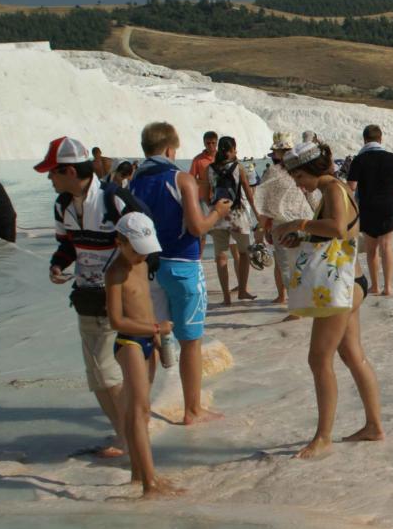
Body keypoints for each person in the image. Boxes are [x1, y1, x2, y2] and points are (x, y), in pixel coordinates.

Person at [274, 141, 382, 459]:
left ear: (310, 171)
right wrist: (305, 236)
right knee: (352, 355)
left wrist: (298, 224)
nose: (298, 184)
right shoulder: (334, 189)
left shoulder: (332, 189)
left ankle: (323, 437)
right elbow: (340, 231)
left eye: (298, 177)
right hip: (352, 281)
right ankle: (374, 426)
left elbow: (336, 227)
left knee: (319, 359)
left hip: (342, 286)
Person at [129, 122, 231, 425]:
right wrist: (218, 212)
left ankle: (141, 410)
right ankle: (192, 410)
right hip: (183, 265)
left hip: (149, 266)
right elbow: (197, 226)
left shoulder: (134, 181)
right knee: (191, 340)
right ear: (171, 149)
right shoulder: (180, 179)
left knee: (149, 336)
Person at [37, 136, 131, 456]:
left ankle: (131, 439)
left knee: (106, 368)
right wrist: (56, 265)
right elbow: (67, 246)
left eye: (53, 173)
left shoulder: (114, 200)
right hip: (86, 297)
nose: (49, 178)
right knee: (94, 373)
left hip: (115, 298)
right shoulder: (63, 205)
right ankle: (123, 433)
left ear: (70, 172)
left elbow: (148, 244)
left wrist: (127, 285)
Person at [105, 212, 181, 497]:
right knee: (139, 410)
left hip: (149, 340)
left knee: (141, 410)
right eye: (136, 250)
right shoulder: (115, 273)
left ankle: (138, 472)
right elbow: (116, 320)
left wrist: (159, 338)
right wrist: (154, 328)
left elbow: (145, 304)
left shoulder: (140, 263)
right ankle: (151, 483)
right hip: (129, 342)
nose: (141, 256)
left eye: (145, 251)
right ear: (119, 242)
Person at [254, 132, 317, 309]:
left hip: (282, 226)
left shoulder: (272, 172)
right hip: (306, 222)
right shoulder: (302, 169)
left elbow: (264, 204)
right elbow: (312, 196)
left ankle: (297, 307)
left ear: (279, 152)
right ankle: (309, 301)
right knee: (305, 264)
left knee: (288, 267)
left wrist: (261, 229)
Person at [346, 124, 393, 297]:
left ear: (364, 140)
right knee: (387, 246)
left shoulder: (358, 160)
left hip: (367, 208)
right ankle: (388, 288)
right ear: (380, 139)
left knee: (371, 248)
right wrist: (390, 188)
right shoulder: (391, 157)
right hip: (389, 207)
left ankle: (374, 286)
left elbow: (351, 186)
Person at [201, 136, 258, 305]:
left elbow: (205, 195)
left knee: (221, 257)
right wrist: (256, 213)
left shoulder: (209, 168)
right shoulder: (238, 167)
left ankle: (226, 296)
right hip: (237, 215)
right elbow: (247, 192)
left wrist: (213, 210)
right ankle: (242, 290)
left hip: (218, 215)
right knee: (244, 253)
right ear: (232, 149)